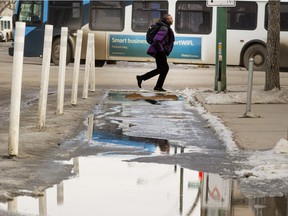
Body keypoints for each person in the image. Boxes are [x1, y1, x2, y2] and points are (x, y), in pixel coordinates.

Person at [136, 14, 175, 92]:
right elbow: (156, 40)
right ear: (166, 20)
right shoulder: (164, 28)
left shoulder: (164, 27)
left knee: (160, 69)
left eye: (172, 19)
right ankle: (158, 86)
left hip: (158, 50)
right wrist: (161, 50)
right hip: (159, 51)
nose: (172, 20)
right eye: (170, 19)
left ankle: (142, 78)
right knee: (165, 68)